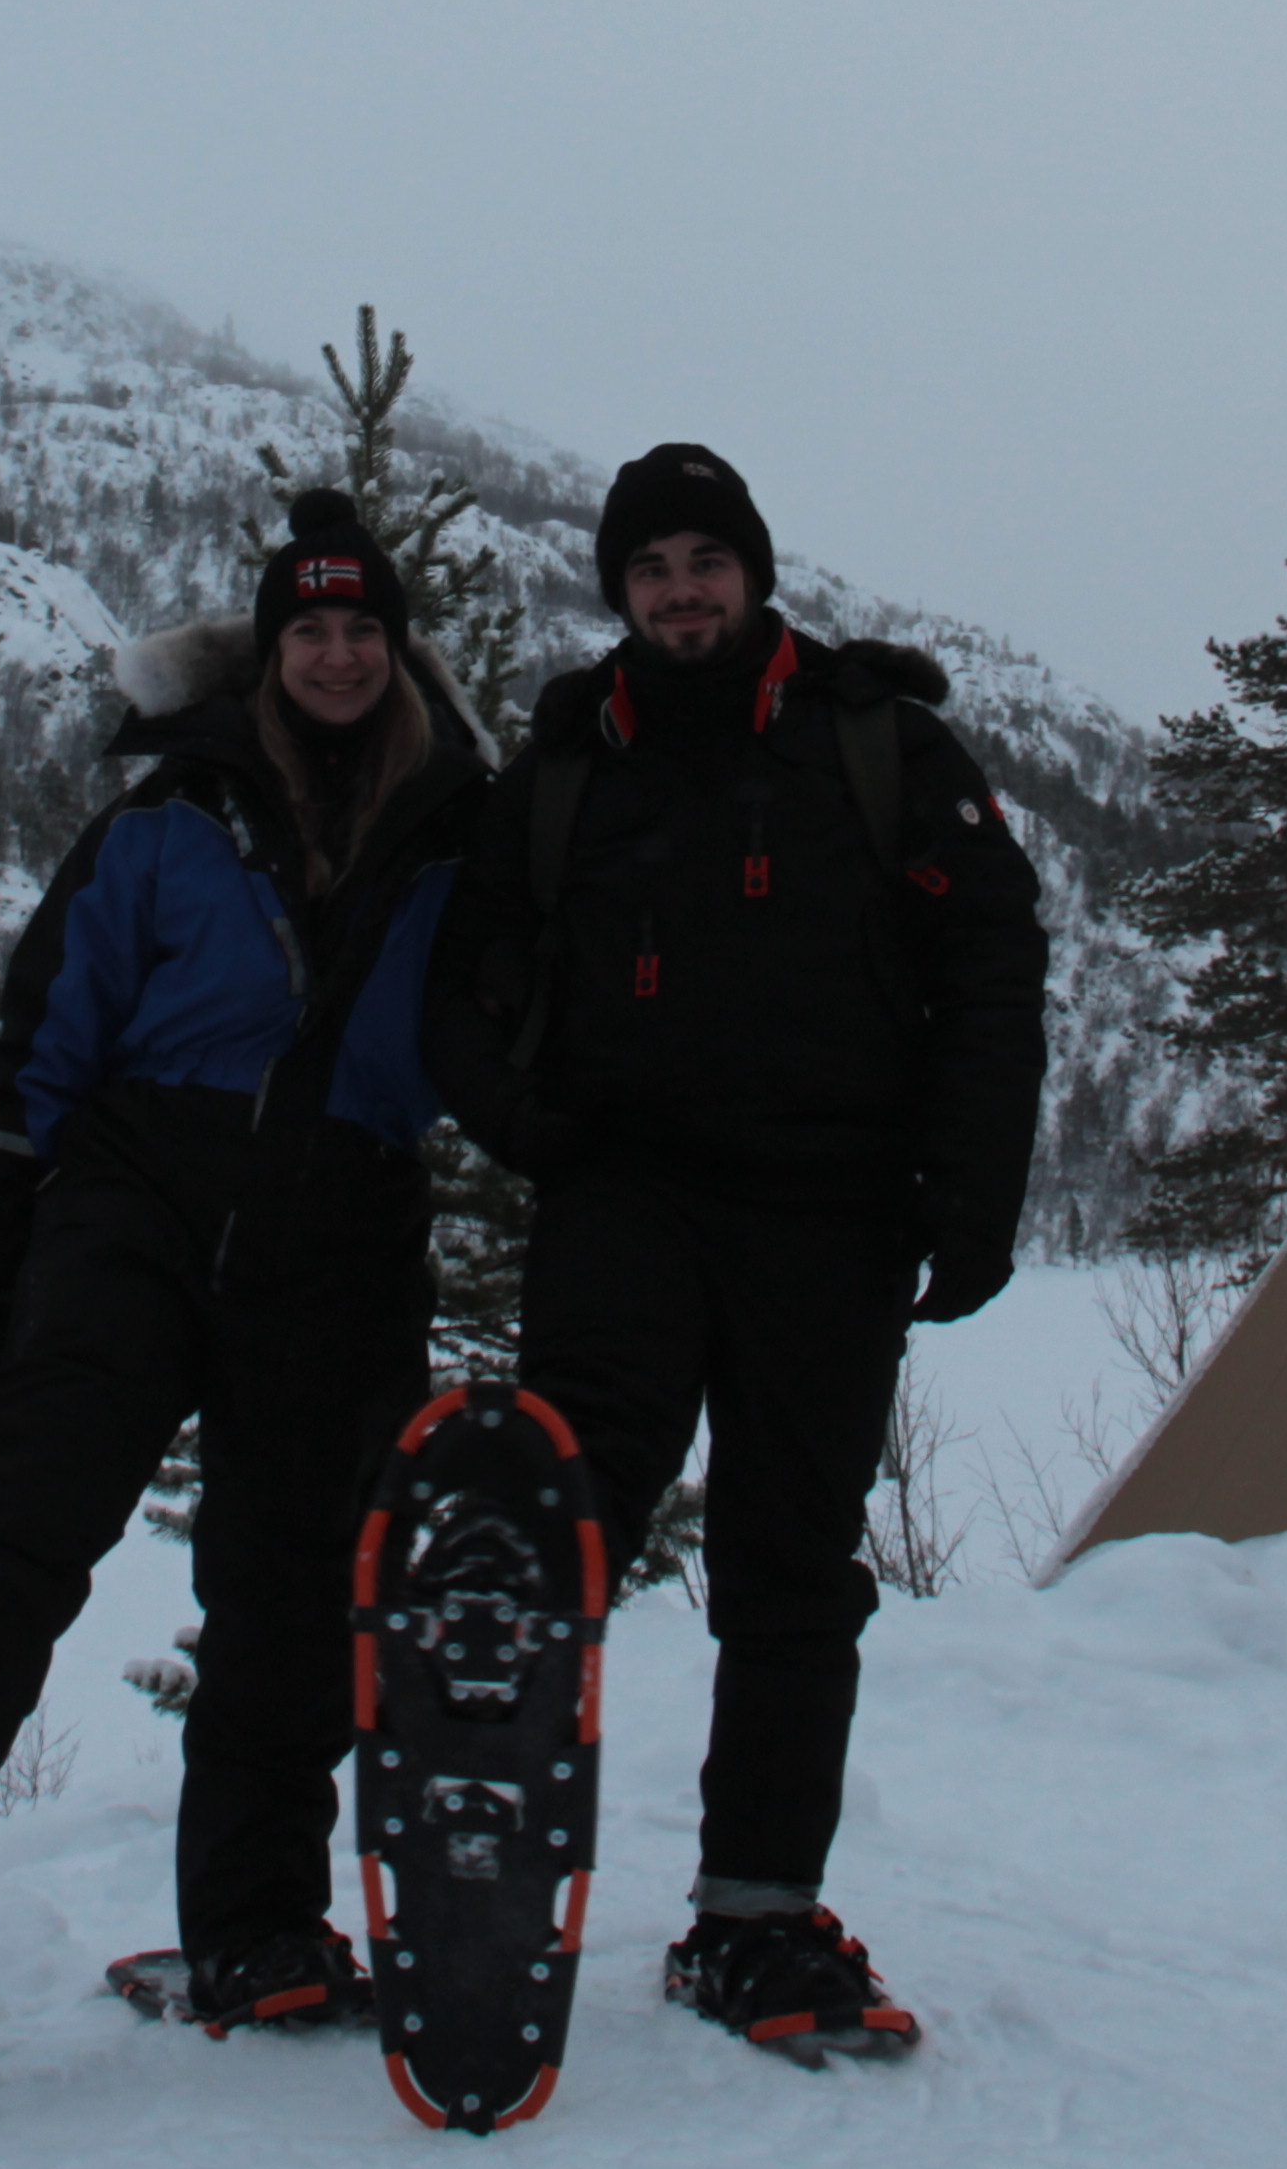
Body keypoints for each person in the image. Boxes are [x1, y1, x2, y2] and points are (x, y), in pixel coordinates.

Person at [428, 440, 1046, 2058]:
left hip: (828, 1210)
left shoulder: (877, 740)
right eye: (651, 568)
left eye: (706, 561)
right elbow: (461, 975)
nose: (682, 591)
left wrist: (972, 1194)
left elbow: (992, 960)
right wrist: (522, 1122)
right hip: (622, 1199)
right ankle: (472, 1862)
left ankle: (757, 1924)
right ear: (618, 591)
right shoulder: (569, 759)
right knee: (557, 1521)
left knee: (790, 1569)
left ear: (753, 575)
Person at [0, 485, 492, 2032]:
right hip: (140, 1193)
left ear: (400, 647)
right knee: (27, 1513)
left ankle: (260, 1930)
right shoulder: (167, 815)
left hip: (347, 1216)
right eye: (314, 627)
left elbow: (510, 1034)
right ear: (269, 647)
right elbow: (45, 1033)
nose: (342, 653)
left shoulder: (457, 834)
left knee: (295, 1594)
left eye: (366, 626)